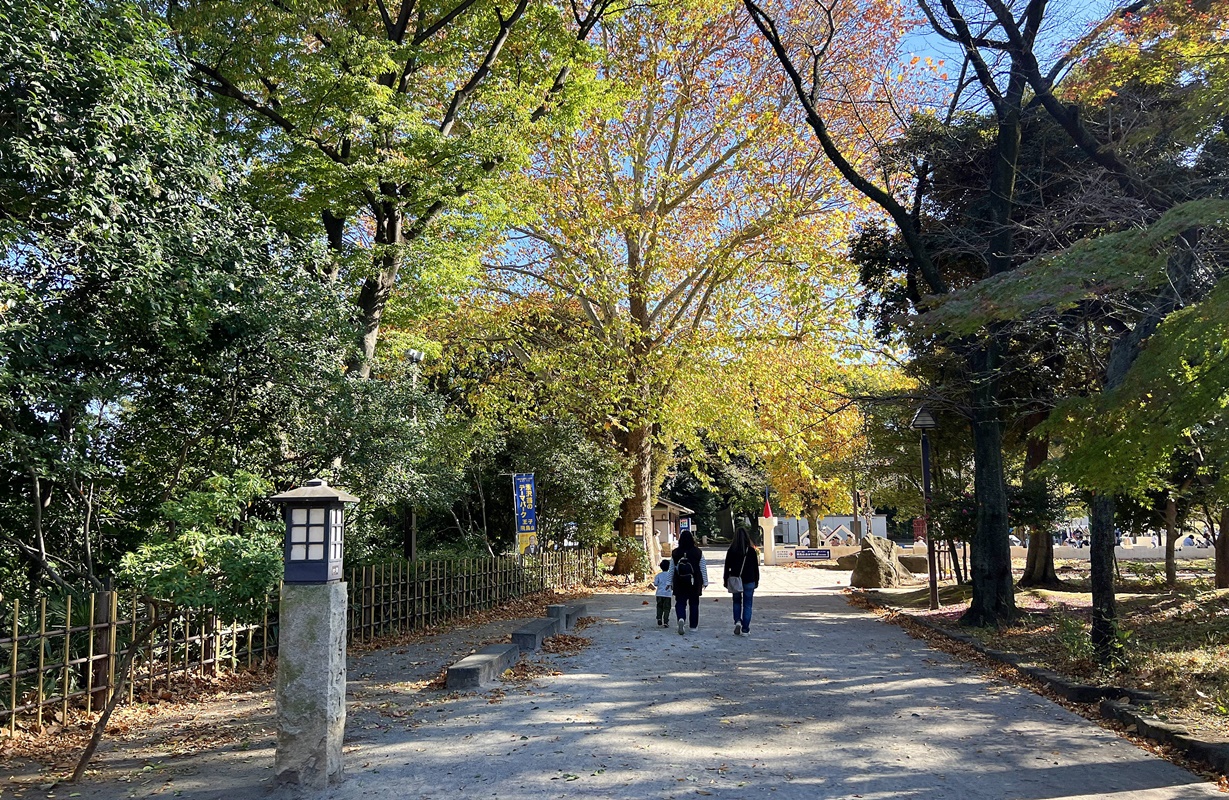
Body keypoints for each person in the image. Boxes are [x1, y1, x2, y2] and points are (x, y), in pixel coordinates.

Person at [670, 530, 709, 635]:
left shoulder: (675, 552)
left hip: (679, 581)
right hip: (694, 581)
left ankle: (681, 618)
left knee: (680, 602)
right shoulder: (698, 552)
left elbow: (671, 569)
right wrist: (705, 582)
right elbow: (703, 568)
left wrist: (669, 583)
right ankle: (693, 626)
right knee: (694, 603)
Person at [724, 527, 761, 636]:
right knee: (748, 605)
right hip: (749, 580)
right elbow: (755, 568)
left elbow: (727, 567)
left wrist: (726, 580)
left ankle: (737, 621)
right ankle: (745, 629)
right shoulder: (751, 551)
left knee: (736, 602)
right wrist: (756, 580)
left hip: (735, 580)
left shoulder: (731, 550)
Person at [651, 559, 673, 627]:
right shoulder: (670, 575)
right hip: (668, 594)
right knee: (667, 608)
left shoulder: (658, 575)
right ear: (669, 567)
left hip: (659, 593)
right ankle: (666, 621)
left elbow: (656, 584)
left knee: (659, 606)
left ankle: (659, 618)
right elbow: (672, 584)